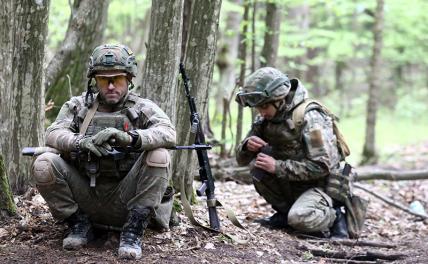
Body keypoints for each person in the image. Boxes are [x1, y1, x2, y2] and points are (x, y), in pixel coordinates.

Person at [32, 44, 176, 259]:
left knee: (160, 156)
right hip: (86, 194)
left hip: (127, 196)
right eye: (103, 80)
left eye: (117, 79)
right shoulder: (78, 106)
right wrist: (80, 142)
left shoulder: (142, 107)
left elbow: (168, 133)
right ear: (94, 81)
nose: (110, 86)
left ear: (128, 79)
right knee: (44, 163)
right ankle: (78, 225)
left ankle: (133, 230)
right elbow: (53, 133)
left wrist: (132, 138)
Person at [235, 67, 365, 238]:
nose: (261, 112)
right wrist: (246, 146)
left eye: (264, 106)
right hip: (292, 183)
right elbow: (241, 160)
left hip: (320, 187)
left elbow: (322, 166)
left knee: (299, 219)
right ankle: (285, 213)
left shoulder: (309, 117)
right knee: (257, 168)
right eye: (257, 107)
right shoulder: (265, 119)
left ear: (279, 99)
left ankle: (335, 217)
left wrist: (277, 167)